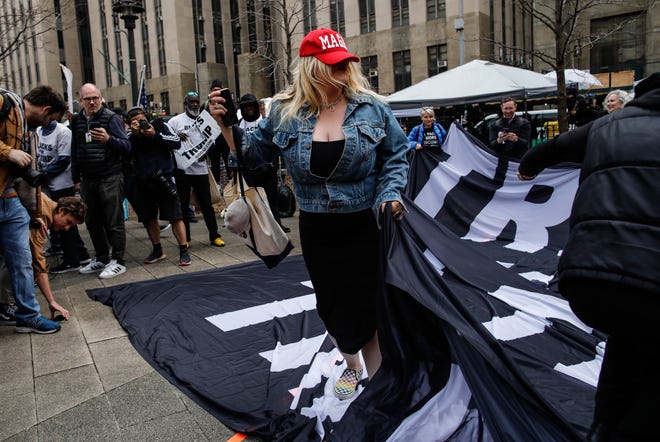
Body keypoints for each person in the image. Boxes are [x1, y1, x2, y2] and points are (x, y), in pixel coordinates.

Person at [210, 28, 409, 400]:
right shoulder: (286, 112)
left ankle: (378, 376)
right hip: (317, 226)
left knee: (368, 301)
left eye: (345, 64)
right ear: (312, 68)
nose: (343, 72)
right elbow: (253, 157)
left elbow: (397, 155)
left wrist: (391, 193)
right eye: (333, 66)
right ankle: (350, 366)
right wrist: (226, 125)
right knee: (331, 304)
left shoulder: (373, 108)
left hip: (363, 221)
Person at [517, 72, 660, 442]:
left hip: (588, 280)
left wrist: (527, 165)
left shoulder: (607, 127)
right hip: (649, 282)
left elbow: (547, 151)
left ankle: (604, 428)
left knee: (626, 344)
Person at [0, 84, 67, 333]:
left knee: (22, 260)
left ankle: (27, 316)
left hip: (11, 199)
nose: (47, 124)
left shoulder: (29, 132)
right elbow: (14, 159)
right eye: (50, 118)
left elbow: (29, 180)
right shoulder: (3, 102)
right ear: (45, 109)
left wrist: (35, 214)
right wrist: (8, 153)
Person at [71, 83, 131, 279]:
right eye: (88, 99)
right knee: (91, 220)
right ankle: (102, 257)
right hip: (88, 179)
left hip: (110, 177)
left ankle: (118, 261)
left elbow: (127, 147)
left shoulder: (111, 118)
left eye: (95, 98)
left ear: (101, 98)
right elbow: (75, 150)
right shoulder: (78, 120)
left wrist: (108, 140)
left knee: (113, 221)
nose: (92, 102)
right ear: (81, 101)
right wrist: (76, 178)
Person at [125, 106, 191, 266]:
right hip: (144, 182)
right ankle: (157, 249)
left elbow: (176, 143)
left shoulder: (161, 126)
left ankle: (184, 250)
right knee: (149, 219)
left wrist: (155, 134)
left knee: (176, 216)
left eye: (142, 121)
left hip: (164, 179)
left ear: (147, 118)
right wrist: (134, 135)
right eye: (135, 122)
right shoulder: (130, 137)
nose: (140, 125)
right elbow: (126, 152)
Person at [217, 92, 290, 232]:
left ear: (256, 107)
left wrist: (280, 164)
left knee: (271, 200)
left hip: (268, 169)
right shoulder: (238, 125)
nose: (249, 109)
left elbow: (276, 143)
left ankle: (277, 226)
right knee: (252, 202)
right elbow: (232, 147)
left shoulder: (266, 122)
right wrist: (233, 167)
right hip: (248, 171)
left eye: (251, 106)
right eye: (246, 107)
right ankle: (256, 229)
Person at [168, 92, 225, 247]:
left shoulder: (205, 120)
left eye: (196, 102)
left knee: (207, 205)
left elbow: (212, 141)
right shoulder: (175, 121)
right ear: (185, 103)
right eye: (191, 102)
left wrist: (205, 153)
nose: (194, 104)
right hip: (183, 171)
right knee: (184, 205)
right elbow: (167, 140)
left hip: (200, 170)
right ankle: (185, 239)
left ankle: (215, 236)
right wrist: (177, 137)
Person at [36, 119, 90, 273]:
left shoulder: (63, 132)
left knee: (66, 222)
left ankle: (72, 259)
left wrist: (44, 174)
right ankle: (79, 253)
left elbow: (64, 159)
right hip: (48, 183)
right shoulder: (40, 130)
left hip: (61, 184)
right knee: (60, 223)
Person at [29, 194, 88, 321]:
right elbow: (38, 263)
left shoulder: (47, 204)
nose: (66, 228)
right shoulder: (42, 218)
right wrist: (51, 301)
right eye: (68, 222)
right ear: (61, 210)